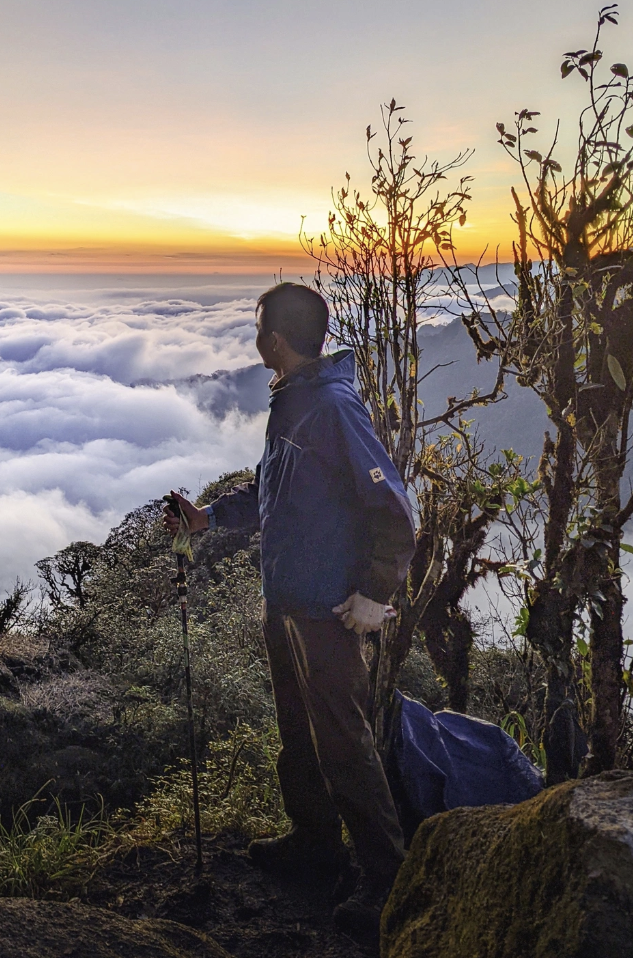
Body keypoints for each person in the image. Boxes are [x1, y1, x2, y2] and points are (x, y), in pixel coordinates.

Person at [164, 281, 415, 945]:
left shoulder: (331, 406)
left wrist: (375, 593)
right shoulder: (294, 404)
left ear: (273, 339)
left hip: (328, 609)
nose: (254, 339)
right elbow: (272, 492)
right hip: (288, 601)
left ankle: (388, 879)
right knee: (298, 733)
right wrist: (209, 517)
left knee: (342, 740)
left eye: (257, 328)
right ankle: (315, 844)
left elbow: (395, 508)